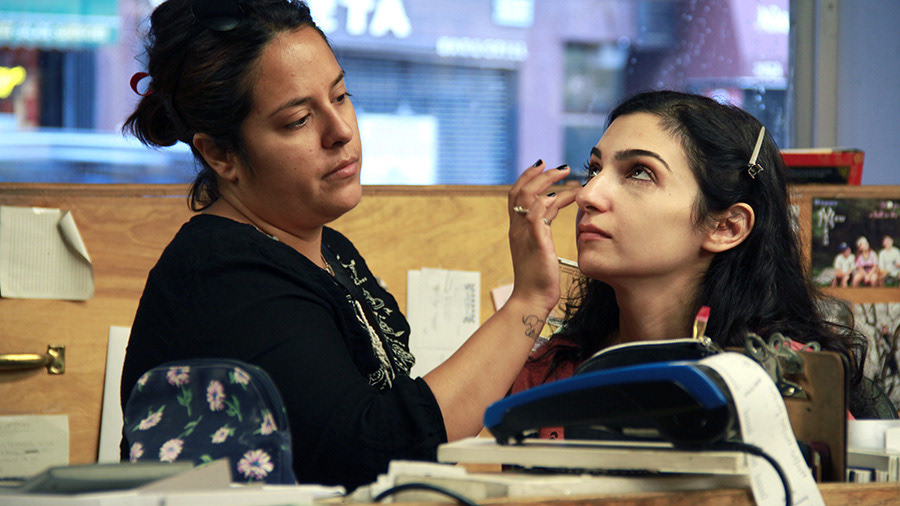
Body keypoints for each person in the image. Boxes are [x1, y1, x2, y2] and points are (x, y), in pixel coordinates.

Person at [119, 0, 577, 490]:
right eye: (298, 120)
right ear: (220, 153)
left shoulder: (330, 251)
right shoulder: (222, 275)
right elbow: (379, 449)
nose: (340, 132)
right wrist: (528, 299)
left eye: (340, 96)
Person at [510, 90, 890, 430]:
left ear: (726, 226)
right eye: (594, 169)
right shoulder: (552, 373)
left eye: (639, 172)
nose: (588, 195)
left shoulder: (784, 386)